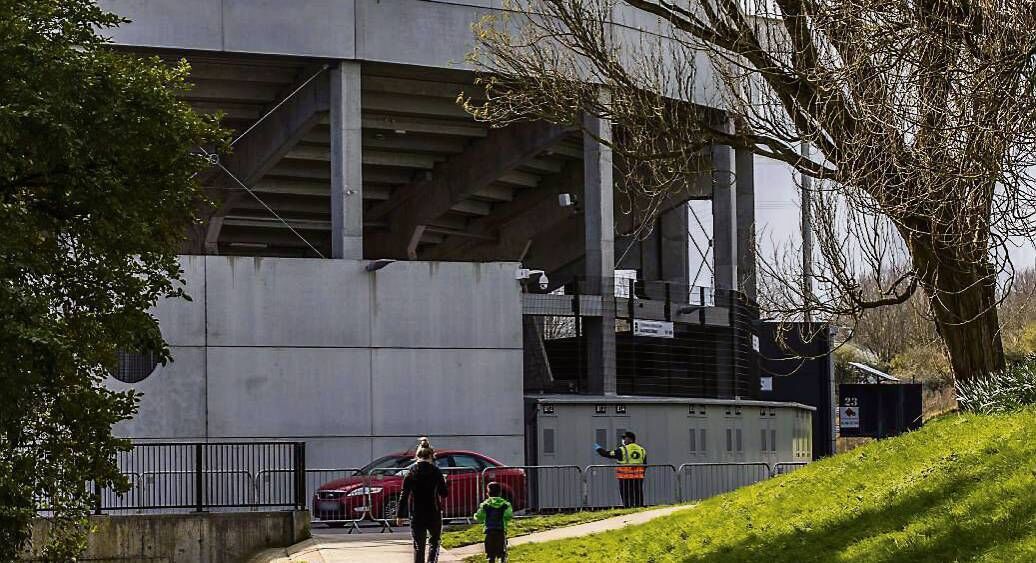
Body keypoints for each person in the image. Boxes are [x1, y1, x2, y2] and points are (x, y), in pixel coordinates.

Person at [397, 438, 448, 563]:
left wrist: (400, 515)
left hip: (417, 513)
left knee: (419, 545)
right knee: (434, 542)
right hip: (433, 511)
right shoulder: (436, 472)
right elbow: (444, 493)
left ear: (417, 456)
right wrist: (444, 482)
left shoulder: (411, 473)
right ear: (431, 456)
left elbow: (404, 494)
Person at [595, 430, 647, 508]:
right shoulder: (642, 450)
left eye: (624, 438)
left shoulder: (623, 450)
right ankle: (639, 508)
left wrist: (597, 448)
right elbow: (645, 464)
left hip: (625, 477)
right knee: (638, 494)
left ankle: (627, 508)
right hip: (638, 477)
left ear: (630, 439)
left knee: (626, 494)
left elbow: (606, 454)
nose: (623, 440)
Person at [473, 481, 513, 563]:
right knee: (501, 551)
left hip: (489, 531)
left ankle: (491, 559)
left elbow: (479, 517)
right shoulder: (505, 504)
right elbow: (509, 516)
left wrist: (475, 516)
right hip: (501, 531)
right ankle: (502, 559)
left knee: (490, 553)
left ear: (487, 493)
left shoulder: (485, 505)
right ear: (500, 493)